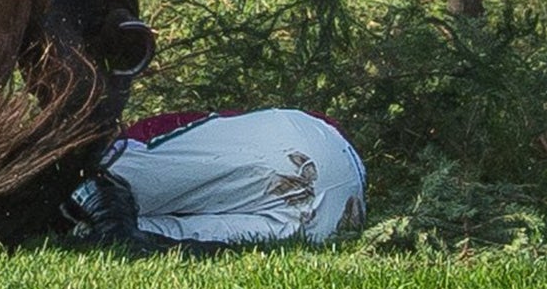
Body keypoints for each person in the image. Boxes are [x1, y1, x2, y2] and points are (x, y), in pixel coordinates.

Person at [66, 107, 367, 252]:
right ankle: (111, 238)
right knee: (149, 236)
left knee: (102, 173)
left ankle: (107, 232)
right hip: (337, 209)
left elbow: (97, 171)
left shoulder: (136, 139)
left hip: (299, 143)